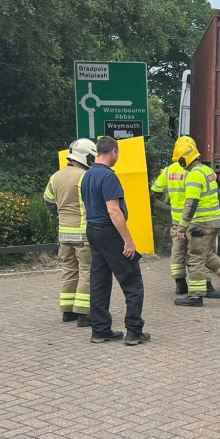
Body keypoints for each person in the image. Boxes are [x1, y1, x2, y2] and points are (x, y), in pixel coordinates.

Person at [80, 136, 150, 345]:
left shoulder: (87, 176)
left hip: (93, 230)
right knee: (132, 282)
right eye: (117, 154)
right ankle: (134, 331)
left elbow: (85, 208)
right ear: (113, 152)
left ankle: (100, 330)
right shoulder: (108, 177)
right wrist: (128, 241)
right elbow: (113, 210)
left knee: (99, 281)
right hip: (110, 232)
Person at [171, 137, 220, 307]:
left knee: (195, 258)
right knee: (207, 255)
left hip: (200, 224)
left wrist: (182, 226)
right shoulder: (207, 171)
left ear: (184, 159)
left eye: (179, 160)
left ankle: (195, 296)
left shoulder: (194, 176)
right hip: (213, 222)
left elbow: (191, 203)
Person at [43, 138, 97, 327]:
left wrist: (62, 216)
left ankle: (67, 311)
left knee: (68, 270)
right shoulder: (85, 176)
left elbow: (48, 201)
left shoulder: (56, 176)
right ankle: (84, 314)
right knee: (86, 271)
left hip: (63, 233)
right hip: (82, 233)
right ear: (85, 156)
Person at [150, 140, 194, 295]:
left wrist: (168, 200)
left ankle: (180, 284)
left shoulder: (169, 170)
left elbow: (155, 189)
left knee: (177, 251)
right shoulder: (194, 170)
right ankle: (204, 285)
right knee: (198, 253)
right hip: (194, 219)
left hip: (176, 219)